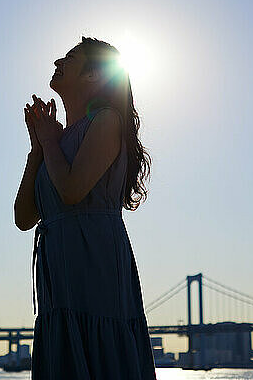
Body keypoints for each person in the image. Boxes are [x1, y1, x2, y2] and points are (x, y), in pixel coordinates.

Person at [14, 36, 157, 379]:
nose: (57, 61)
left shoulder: (106, 121)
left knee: (99, 352)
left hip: (95, 263)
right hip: (59, 278)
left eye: (70, 57)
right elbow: (23, 217)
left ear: (93, 75)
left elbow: (72, 192)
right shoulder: (56, 141)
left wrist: (49, 141)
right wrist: (38, 149)